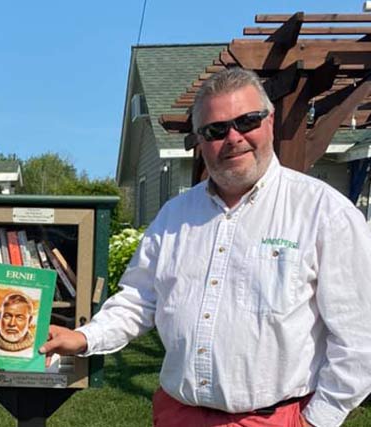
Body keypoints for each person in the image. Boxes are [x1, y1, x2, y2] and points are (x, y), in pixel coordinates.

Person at [40, 67, 371, 427]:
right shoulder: (175, 216)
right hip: (178, 414)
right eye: (216, 130)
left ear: (270, 121)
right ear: (200, 139)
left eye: (246, 121)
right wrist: (83, 337)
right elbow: (138, 299)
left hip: (277, 418)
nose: (233, 137)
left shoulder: (324, 213)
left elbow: (359, 337)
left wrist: (318, 419)